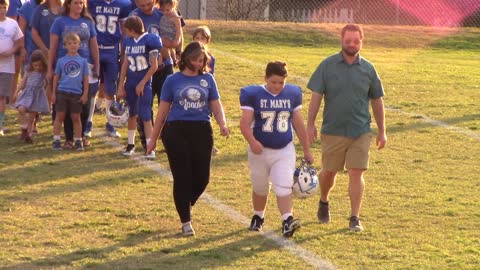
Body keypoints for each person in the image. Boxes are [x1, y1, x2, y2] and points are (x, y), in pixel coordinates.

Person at [306, 24, 387, 231]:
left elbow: (377, 100)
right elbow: (316, 97)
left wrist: (382, 130)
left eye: (356, 41)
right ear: (341, 40)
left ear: (362, 41)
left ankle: (354, 217)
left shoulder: (368, 69)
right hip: (332, 130)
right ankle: (324, 200)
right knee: (329, 172)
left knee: (356, 172)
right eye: (348, 40)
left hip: (360, 130)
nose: (352, 44)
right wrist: (310, 125)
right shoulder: (327, 65)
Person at [146, 41, 230, 236]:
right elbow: (162, 112)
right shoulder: (172, 81)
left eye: (202, 60)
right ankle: (186, 221)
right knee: (182, 177)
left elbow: (216, 105)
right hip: (176, 131)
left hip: (202, 129)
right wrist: (153, 139)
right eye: (196, 60)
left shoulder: (208, 80)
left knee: (203, 178)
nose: (199, 64)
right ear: (186, 59)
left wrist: (223, 124)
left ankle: (185, 203)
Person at [239, 61, 312, 238]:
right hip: (260, 150)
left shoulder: (292, 93)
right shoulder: (252, 94)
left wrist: (307, 150)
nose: (277, 86)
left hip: (284, 148)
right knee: (260, 187)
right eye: (273, 82)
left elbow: (298, 124)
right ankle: (258, 216)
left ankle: (287, 221)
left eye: (281, 82)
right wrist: (252, 141)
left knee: (283, 185)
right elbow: (244, 124)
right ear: (265, 78)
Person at [48, 0, 100, 148]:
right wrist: (50, 68)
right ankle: (69, 138)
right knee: (67, 101)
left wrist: (97, 65)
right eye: (76, 3)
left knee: (85, 102)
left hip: (86, 65)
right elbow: (53, 47)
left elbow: (94, 45)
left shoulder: (88, 22)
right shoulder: (60, 21)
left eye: (81, 3)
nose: (79, 6)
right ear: (69, 4)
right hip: (65, 66)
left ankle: (81, 136)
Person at [130, 0, 180, 150]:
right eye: (142, 5)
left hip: (165, 64)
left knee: (167, 103)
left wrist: (177, 50)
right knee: (146, 105)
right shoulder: (134, 17)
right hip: (145, 68)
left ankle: (168, 138)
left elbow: (178, 31)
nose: (146, 8)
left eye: (148, 4)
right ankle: (148, 140)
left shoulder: (165, 12)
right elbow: (130, 43)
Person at [85, 0, 133, 138]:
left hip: (112, 50)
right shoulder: (92, 2)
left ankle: (111, 122)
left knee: (110, 89)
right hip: (95, 49)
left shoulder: (123, 4)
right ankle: (88, 122)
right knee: (92, 88)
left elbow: (124, 29)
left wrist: (124, 51)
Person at [117, 15, 162, 159]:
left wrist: (142, 83)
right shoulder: (128, 41)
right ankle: (130, 144)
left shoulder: (151, 40)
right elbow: (125, 64)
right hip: (131, 82)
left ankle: (150, 147)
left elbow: (154, 66)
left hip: (144, 82)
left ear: (131, 29)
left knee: (146, 115)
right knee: (132, 114)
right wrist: (120, 85)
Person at [51, 32, 89, 151]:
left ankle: (78, 140)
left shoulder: (83, 61)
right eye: (69, 43)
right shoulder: (61, 61)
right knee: (60, 116)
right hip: (62, 92)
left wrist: (85, 93)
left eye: (75, 43)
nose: (72, 45)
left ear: (79, 45)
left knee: (76, 117)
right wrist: (53, 93)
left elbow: (86, 79)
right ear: (65, 46)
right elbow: (56, 77)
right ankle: (56, 140)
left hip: (76, 93)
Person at [11, 49, 49, 143]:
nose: (37, 67)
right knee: (21, 109)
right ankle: (24, 128)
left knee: (32, 117)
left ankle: (28, 134)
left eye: (40, 65)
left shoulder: (43, 72)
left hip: (37, 95)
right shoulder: (29, 71)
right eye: (35, 65)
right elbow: (23, 82)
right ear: (32, 64)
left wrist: (47, 92)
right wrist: (16, 92)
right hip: (27, 93)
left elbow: (49, 82)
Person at [0, 0, 24, 136]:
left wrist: (11, 51)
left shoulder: (12, 24)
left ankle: (0, 124)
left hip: (7, 66)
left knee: (2, 97)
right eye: (0, 7)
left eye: (5, 7)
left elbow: (20, 41)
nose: (2, 10)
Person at [158, 0, 181, 69]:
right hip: (164, 33)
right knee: (168, 49)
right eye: (163, 10)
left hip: (170, 36)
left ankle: (160, 63)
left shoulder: (175, 18)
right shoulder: (165, 15)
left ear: (173, 6)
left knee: (159, 45)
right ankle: (174, 60)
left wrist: (176, 39)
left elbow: (178, 30)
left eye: (167, 10)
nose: (165, 12)